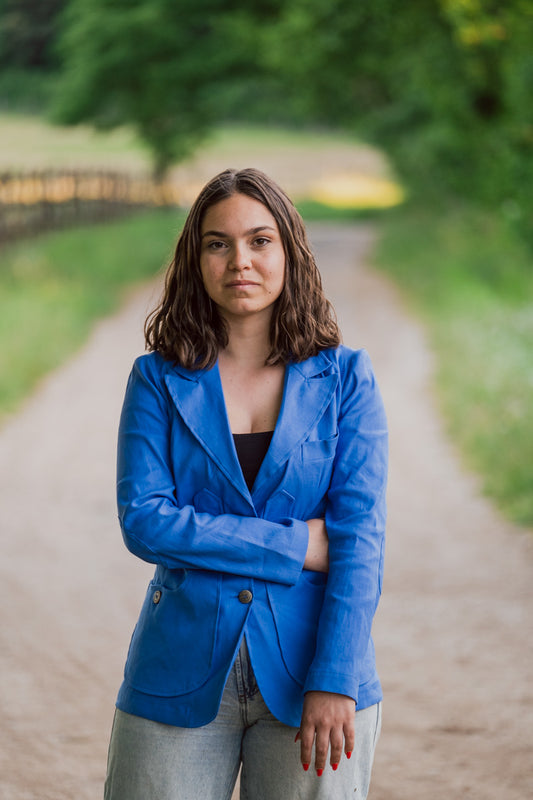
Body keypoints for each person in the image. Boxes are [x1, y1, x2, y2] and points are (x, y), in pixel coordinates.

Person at [104, 167, 388, 800]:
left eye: (261, 241)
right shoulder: (156, 379)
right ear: (195, 259)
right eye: (218, 243)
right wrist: (296, 546)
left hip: (313, 668)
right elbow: (145, 521)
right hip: (176, 670)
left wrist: (337, 677)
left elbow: (359, 540)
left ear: (289, 251)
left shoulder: (346, 381)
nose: (241, 261)